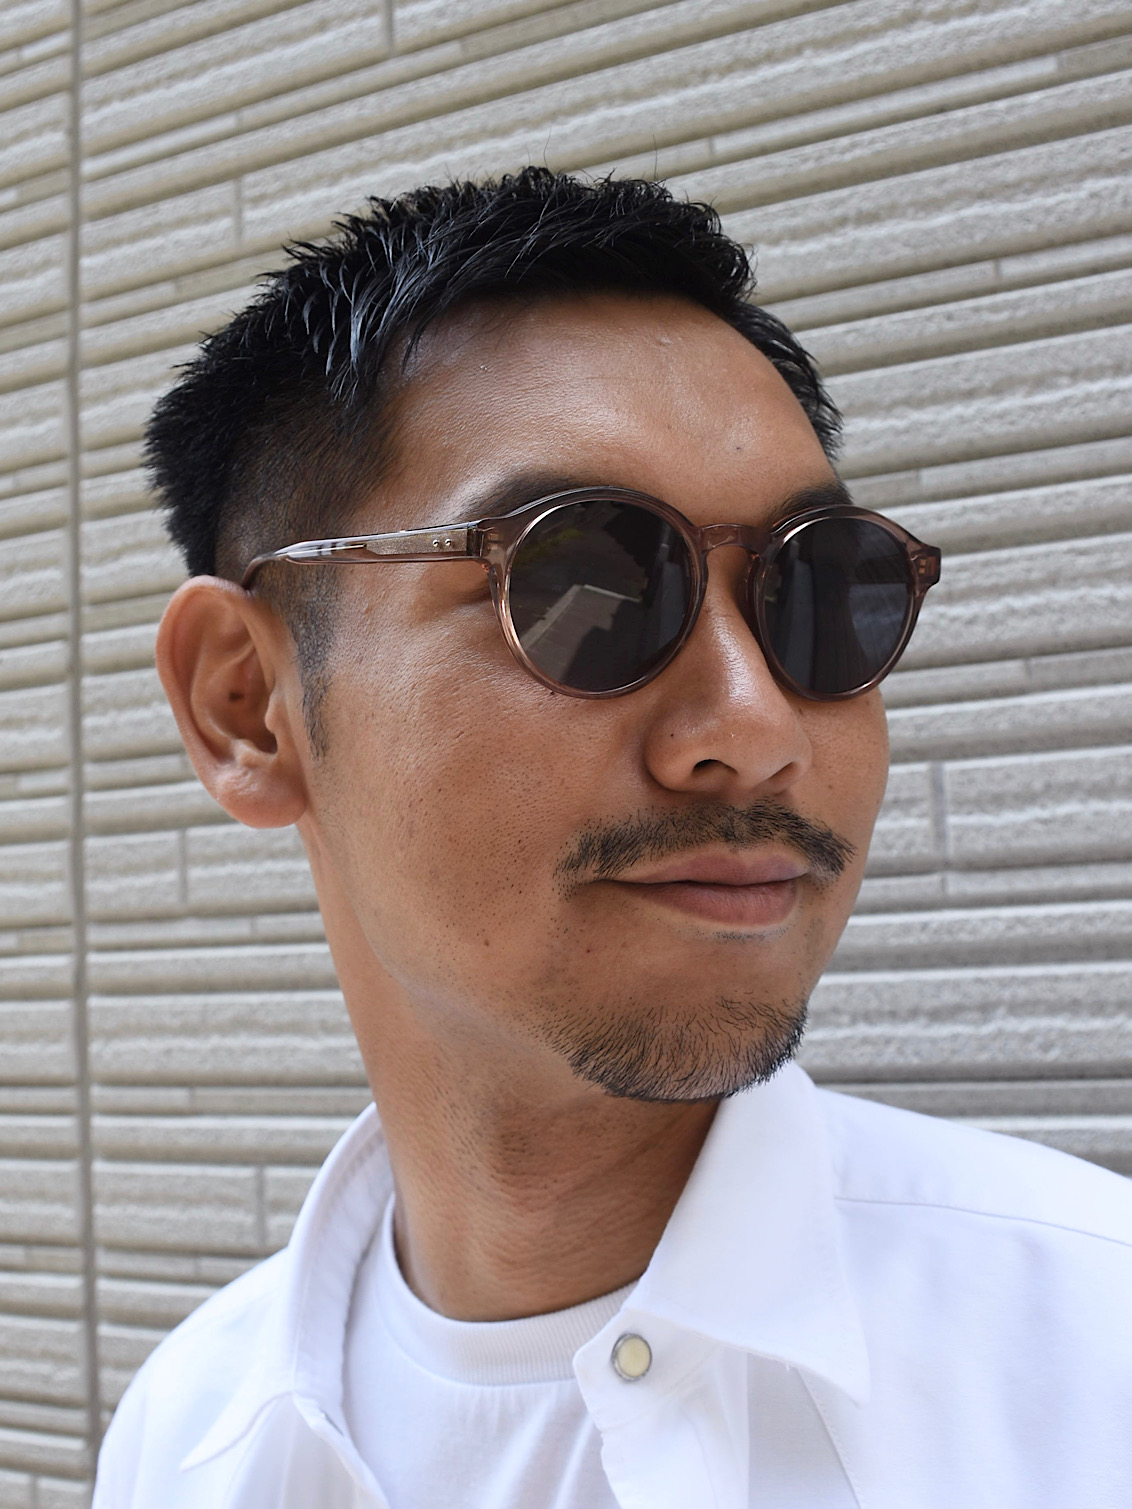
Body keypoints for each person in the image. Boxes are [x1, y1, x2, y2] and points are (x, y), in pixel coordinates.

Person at [92, 169, 1130, 1509]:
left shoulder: (1091, 1359)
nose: (754, 726)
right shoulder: (184, 1441)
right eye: (584, 579)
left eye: (820, 588)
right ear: (247, 702)